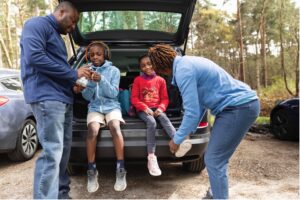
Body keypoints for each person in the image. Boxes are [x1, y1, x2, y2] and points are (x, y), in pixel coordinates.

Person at [148, 44, 260, 199]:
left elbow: (192, 113)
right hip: (237, 107)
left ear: (161, 68)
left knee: (214, 160)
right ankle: (215, 193)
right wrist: (188, 132)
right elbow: (199, 106)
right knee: (217, 158)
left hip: (238, 108)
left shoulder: (183, 71)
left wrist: (177, 139)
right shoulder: (187, 63)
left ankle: (218, 196)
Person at [20, 1, 91, 199]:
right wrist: (72, 73)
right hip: (47, 97)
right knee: (52, 153)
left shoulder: (57, 38)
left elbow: (59, 71)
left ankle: (61, 195)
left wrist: (73, 84)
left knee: (62, 153)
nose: (74, 26)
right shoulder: (36, 25)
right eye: (73, 20)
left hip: (62, 98)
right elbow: (35, 58)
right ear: (61, 12)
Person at [131, 54, 193, 176]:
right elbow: (134, 99)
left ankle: (178, 140)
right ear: (140, 68)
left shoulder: (161, 80)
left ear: (154, 64)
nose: (147, 67)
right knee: (151, 122)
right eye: (143, 66)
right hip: (143, 109)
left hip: (157, 108)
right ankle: (151, 157)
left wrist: (161, 108)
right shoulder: (138, 80)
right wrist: (144, 108)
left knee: (164, 118)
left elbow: (165, 99)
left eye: (149, 64)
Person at [81, 41, 127, 193]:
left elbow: (114, 93)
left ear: (105, 55)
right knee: (92, 130)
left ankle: (120, 168)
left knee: (114, 126)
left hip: (112, 106)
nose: (95, 57)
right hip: (94, 107)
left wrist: (101, 80)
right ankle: (92, 170)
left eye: (98, 54)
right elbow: (86, 97)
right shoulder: (86, 70)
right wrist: (91, 84)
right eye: (92, 55)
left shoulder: (113, 70)